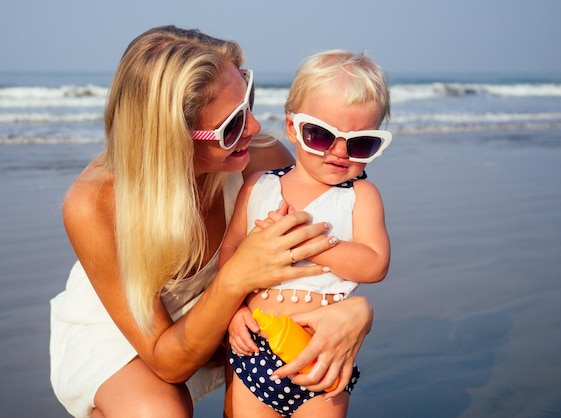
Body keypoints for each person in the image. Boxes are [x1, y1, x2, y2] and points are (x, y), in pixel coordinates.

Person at [49, 26, 374, 418]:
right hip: (133, 331)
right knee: (158, 413)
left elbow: (316, 262)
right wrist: (237, 275)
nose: (254, 128)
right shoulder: (94, 203)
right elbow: (168, 361)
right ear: (171, 139)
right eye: (232, 125)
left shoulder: (262, 160)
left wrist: (358, 313)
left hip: (234, 317)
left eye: (248, 100)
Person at [220, 50, 392, 418]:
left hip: (323, 353)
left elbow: (375, 264)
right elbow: (231, 252)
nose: (339, 152)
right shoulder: (257, 187)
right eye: (320, 135)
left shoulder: (360, 196)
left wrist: (310, 242)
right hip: (256, 345)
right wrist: (232, 312)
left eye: (360, 143)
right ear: (292, 128)